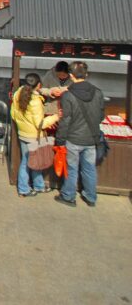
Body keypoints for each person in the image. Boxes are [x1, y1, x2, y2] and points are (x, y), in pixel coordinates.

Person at [55, 61, 105, 207]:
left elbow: (65, 121)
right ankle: (91, 197)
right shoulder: (98, 92)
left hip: (73, 139)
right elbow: (101, 116)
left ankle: (69, 196)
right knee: (89, 169)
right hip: (91, 139)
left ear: (71, 75)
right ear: (86, 74)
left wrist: (60, 140)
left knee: (71, 169)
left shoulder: (67, 95)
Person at [11, 73, 58, 198]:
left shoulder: (18, 93)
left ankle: (38, 185)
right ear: (38, 85)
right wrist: (55, 117)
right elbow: (40, 124)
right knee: (30, 162)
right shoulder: (35, 101)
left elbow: (13, 114)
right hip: (34, 135)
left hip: (22, 133)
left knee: (33, 161)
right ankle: (24, 189)